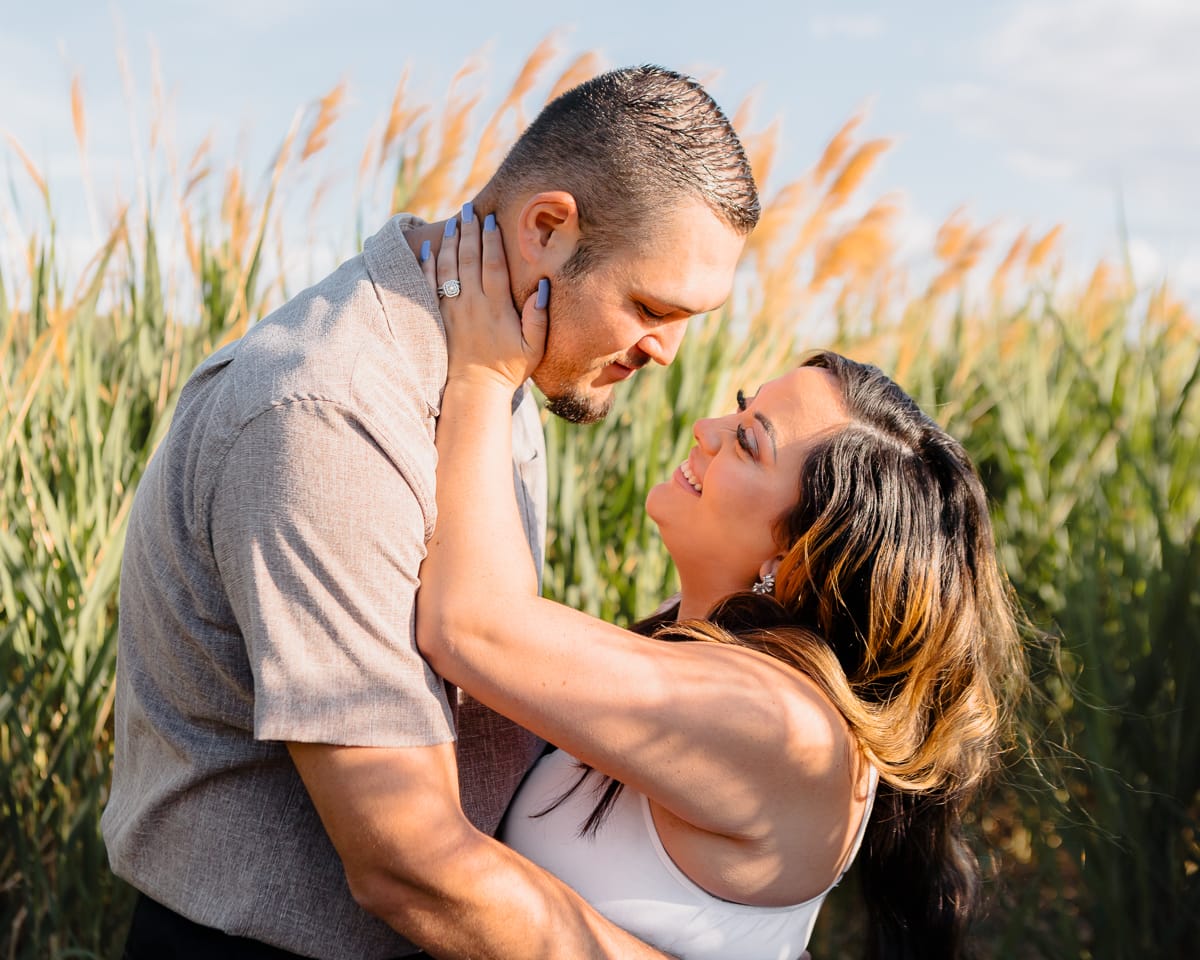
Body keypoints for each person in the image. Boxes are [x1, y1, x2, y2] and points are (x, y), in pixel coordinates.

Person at [102, 66, 758, 959]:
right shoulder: (328, 414)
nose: (667, 353)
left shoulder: (495, 360)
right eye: (650, 306)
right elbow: (402, 857)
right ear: (548, 227)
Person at [416, 217, 1028, 960]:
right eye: (741, 407)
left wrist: (483, 374)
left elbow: (471, 624)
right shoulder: (699, 645)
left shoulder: (779, 725)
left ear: (800, 558)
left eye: (747, 441)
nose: (707, 427)